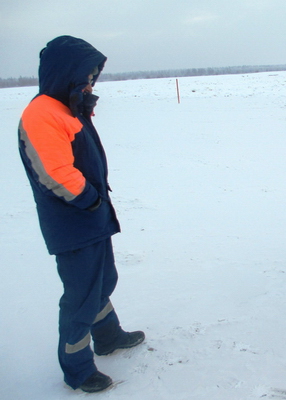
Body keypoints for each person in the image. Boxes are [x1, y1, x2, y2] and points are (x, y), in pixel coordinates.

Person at [18, 36, 144, 393]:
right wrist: (90, 199)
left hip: (92, 217)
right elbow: (54, 171)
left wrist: (96, 205)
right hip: (73, 222)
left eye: (93, 76)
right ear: (66, 72)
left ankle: (108, 337)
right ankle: (78, 368)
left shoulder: (65, 106)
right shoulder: (42, 112)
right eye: (86, 75)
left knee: (102, 282)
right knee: (80, 295)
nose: (90, 83)